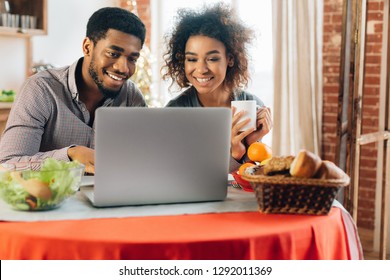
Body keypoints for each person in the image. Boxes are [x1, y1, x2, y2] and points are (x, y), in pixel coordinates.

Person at [0, 7, 147, 174]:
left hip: (109, 197)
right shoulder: (41, 90)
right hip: (52, 199)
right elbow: (7, 165)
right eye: (113, 53)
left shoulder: (131, 97)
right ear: (87, 47)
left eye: (132, 59)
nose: (123, 68)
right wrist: (70, 155)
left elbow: (145, 159)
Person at [162, 3, 273, 172]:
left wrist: (250, 144)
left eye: (212, 59)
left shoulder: (250, 103)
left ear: (230, 59)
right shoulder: (175, 111)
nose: (201, 69)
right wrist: (234, 155)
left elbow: (252, 175)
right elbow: (179, 174)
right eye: (192, 59)